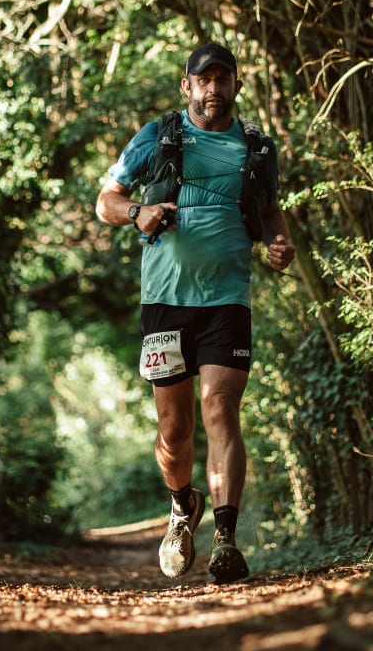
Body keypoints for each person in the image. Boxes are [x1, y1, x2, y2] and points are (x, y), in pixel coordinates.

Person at [95, 42, 295, 584]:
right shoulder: (158, 137)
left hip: (227, 300)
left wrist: (278, 243)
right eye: (203, 79)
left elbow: (270, 211)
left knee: (221, 408)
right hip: (164, 301)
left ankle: (226, 539)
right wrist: (137, 212)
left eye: (222, 78)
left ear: (236, 85)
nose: (213, 88)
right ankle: (183, 506)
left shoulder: (256, 147)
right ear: (187, 86)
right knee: (174, 428)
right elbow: (107, 200)